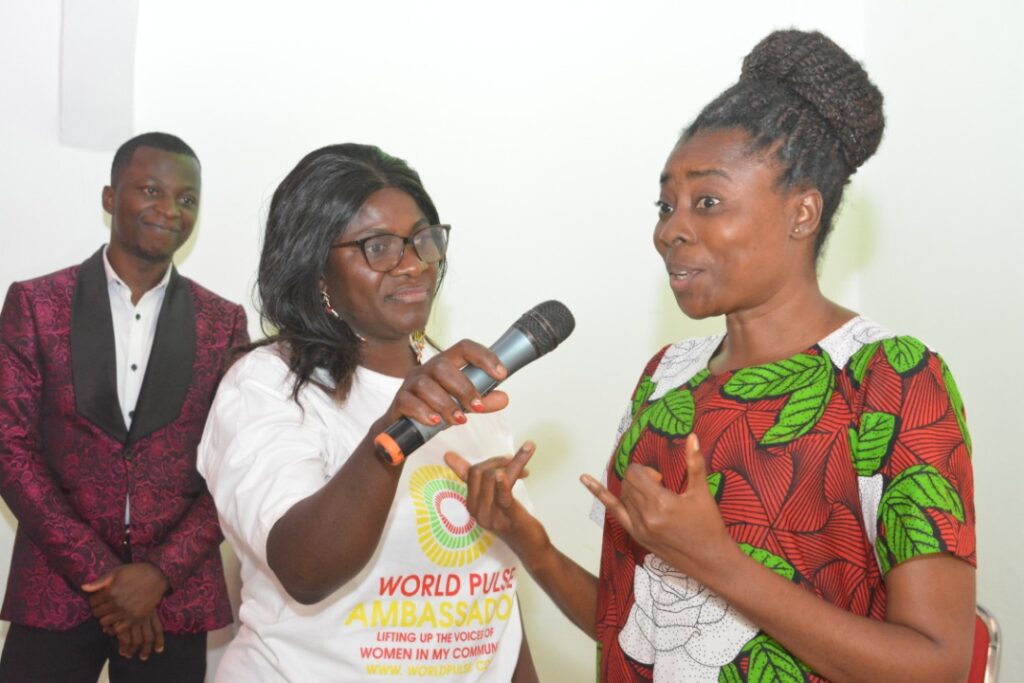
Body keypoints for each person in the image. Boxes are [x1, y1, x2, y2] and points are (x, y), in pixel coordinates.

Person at [445, 30, 976, 683]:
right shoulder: (665, 381)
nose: (670, 228)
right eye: (665, 204)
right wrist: (530, 542)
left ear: (802, 212)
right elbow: (632, 629)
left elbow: (937, 665)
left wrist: (716, 561)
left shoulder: (892, 379)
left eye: (708, 201)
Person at [196, 143, 537, 682]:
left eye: (422, 239)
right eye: (378, 246)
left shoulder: (465, 385)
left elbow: (492, 589)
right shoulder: (268, 385)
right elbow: (306, 570)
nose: (413, 264)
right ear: (316, 270)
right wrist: (392, 434)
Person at [0, 132, 248, 682]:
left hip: (172, 597)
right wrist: (109, 579)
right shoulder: (35, 304)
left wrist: (158, 574)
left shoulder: (222, 322)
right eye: (151, 190)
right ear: (110, 198)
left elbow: (235, 463)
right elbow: (10, 450)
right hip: (56, 587)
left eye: (187, 200)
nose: (170, 210)